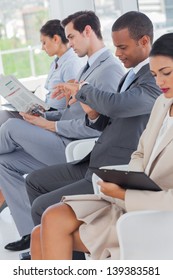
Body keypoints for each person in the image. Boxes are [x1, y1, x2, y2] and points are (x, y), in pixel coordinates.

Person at [25, 11, 161, 259]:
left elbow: (119, 105)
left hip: (112, 168)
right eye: (116, 46)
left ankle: (61, 249)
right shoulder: (132, 75)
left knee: (42, 208)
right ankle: (54, 249)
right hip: (94, 159)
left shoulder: (153, 80)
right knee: (34, 181)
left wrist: (84, 89)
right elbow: (110, 120)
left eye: (122, 47)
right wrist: (93, 113)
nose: (118, 53)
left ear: (144, 41)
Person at [0, 10, 124, 252]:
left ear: (88, 31)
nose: (70, 43)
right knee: (5, 161)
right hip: (61, 138)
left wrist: (49, 125)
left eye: (72, 37)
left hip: (73, 148)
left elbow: (96, 125)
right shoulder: (87, 67)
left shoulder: (108, 70)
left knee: (11, 126)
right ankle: (30, 235)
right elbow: (73, 113)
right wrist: (44, 116)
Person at [0, 19, 83, 212]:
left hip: (56, 123)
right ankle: (21, 219)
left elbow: (70, 105)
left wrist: (46, 115)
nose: (42, 48)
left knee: (8, 122)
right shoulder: (57, 62)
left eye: (44, 42)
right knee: (4, 120)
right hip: (48, 114)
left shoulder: (71, 63)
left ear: (56, 39)